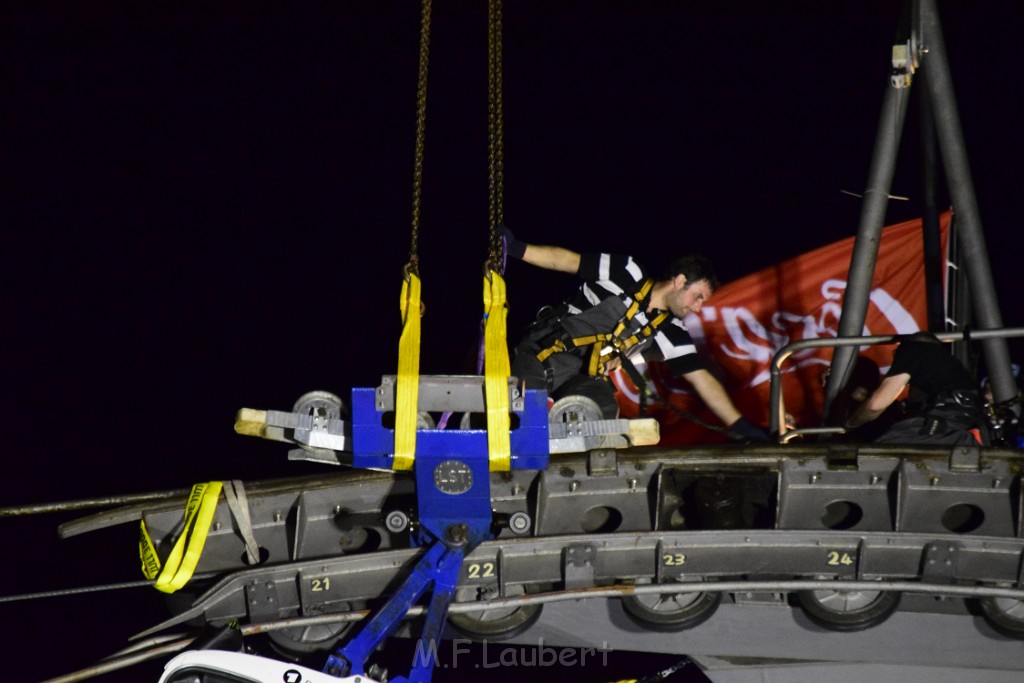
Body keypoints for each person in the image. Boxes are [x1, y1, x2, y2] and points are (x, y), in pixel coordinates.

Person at [503, 230, 770, 443]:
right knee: (529, 412)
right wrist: (517, 249)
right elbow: (567, 261)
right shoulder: (626, 273)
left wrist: (741, 427)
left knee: (605, 408)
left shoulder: (672, 332)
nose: (698, 307)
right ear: (679, 281)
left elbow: (702, 380)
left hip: (580, 378)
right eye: (697, 296)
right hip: (539, 357)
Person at [843, 331, 989, 445]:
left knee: (889, 444)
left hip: (948, 416)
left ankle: (965, 439)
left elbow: (875, 405)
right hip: (963, 416)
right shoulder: (945, 370)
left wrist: (850, 424)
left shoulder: (913, 349)